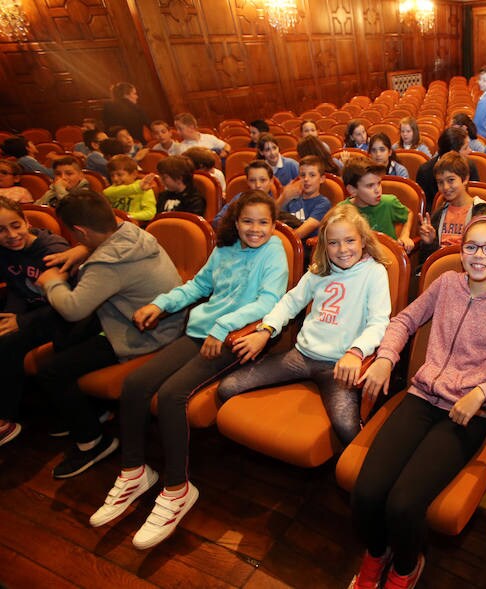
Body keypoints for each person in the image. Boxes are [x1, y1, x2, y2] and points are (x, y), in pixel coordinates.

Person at [349, 215, 486, 589]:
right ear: (461, 249)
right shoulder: (447, 284)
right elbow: (403, 321)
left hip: (464, 413)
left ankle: (405, 567)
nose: (479, 255)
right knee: (367, 491)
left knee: (404, 504)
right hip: (422, 398)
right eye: (471, 246)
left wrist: (484, 392)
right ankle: (377, 552)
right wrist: (386, 358)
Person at [88, 190, 287, 549]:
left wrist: (223, 327)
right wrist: (160, 304)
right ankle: (135, 472)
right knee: (135, 384)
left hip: (234, 337)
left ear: (274, 225)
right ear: (235, 221)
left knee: (171, 395)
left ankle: (177, 488)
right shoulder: (225, 248)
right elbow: (199, 285)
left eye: (264, 222)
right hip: (202, 331)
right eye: (247, 221)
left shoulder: (273, 250)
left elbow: (268, 301)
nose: (255, 229)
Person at [34, 191, 185, 479]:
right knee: (63, 341)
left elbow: (73, 308)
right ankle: (93, 411)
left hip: (143, 333)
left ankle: (93, 442)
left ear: (80, 231)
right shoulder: (131, 231)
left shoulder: (108, 263)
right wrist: (84, 249)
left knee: (52, 370)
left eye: (75, 236)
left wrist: (52, 283)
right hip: (156, 320)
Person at [217, 205, 390, 445]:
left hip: (338, 365)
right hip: (301, 357)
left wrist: (356, 352)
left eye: (350, 240)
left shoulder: (374, 272)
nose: (342, 249)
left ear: (362, 240)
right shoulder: (320, 271)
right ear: (324, 245)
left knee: (346, 427)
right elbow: (290, 302)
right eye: (333, 243)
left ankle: (360, 471)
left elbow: (379, 322)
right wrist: (266, 330)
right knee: (227, 387)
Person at [0, 197, 71, 446]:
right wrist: (12, 317)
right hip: (32, 312)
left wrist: (22, 322)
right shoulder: (4, 251)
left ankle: (5, 419)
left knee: (7, 343)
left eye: (16, 225)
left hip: (62, 315)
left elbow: (68, 303)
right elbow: (17, 289)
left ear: (26, 222)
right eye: (1, 230)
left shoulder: (52, 249)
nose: (11, 235)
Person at [419, 152, 486, 258]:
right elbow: (428, 257)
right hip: (441, 265)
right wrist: (430, 242)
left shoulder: (481, 211)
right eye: (440, 182)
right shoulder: (440, 213)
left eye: (451, 180)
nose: (445, 187)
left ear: (465, 179)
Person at [339, 158, 414, 253]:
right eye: (370, 186)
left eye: (379, 183)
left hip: (388, 258)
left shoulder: (389, 202)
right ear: (352, 190)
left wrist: (405, 235)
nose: (377, 190)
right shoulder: (342, 211)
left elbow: (408, 213)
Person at [416, 127, 479, 211]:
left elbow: (473, 196)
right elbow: (426, 208)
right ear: (453, 154)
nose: (470, 151)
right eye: (465, 148)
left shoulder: (470, 167)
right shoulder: (425, 172)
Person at [277, 155, 332, 239]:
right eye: (302, 175)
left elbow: (301, 233)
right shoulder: (292, 198)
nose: (306, 179)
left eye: (312, 175)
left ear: (321, 179)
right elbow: (270, 216)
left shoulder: (323, 203)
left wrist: (281, 241)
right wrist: (284, 198)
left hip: (302, 246)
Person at [102, 155, 157, 222]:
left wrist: (127, 216)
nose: (115, 179)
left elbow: (150, 213)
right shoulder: (113, 189)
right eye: (112, 175)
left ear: (134, 174)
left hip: (134, 224)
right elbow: (107, 193)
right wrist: (138, 188)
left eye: (119, 175)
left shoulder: (145, 189)